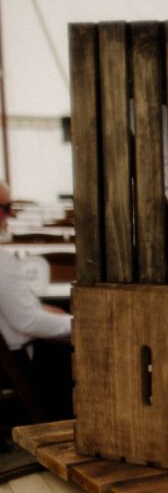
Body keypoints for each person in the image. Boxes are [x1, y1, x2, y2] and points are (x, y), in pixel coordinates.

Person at [0, 180, 73, 421]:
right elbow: (27, 322)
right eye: (6, 207)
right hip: (17, 369)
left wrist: (41, 309)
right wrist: (78, 324)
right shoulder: (2, 261)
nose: (11, 213)